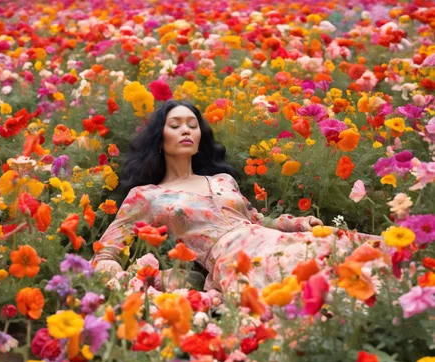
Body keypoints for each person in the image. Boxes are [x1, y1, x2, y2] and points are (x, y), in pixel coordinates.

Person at [93, 100, 367, 291]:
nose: (186, 130)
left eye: (192, 124)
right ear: (159, 139)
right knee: (309, 279)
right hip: (233, 258)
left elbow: (255, 220)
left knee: (344, 250)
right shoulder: (147, 196)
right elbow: (106, 254)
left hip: (270, 239)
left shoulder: (222, 180)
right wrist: (135, 282)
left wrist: (297, 223)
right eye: (175, 125)